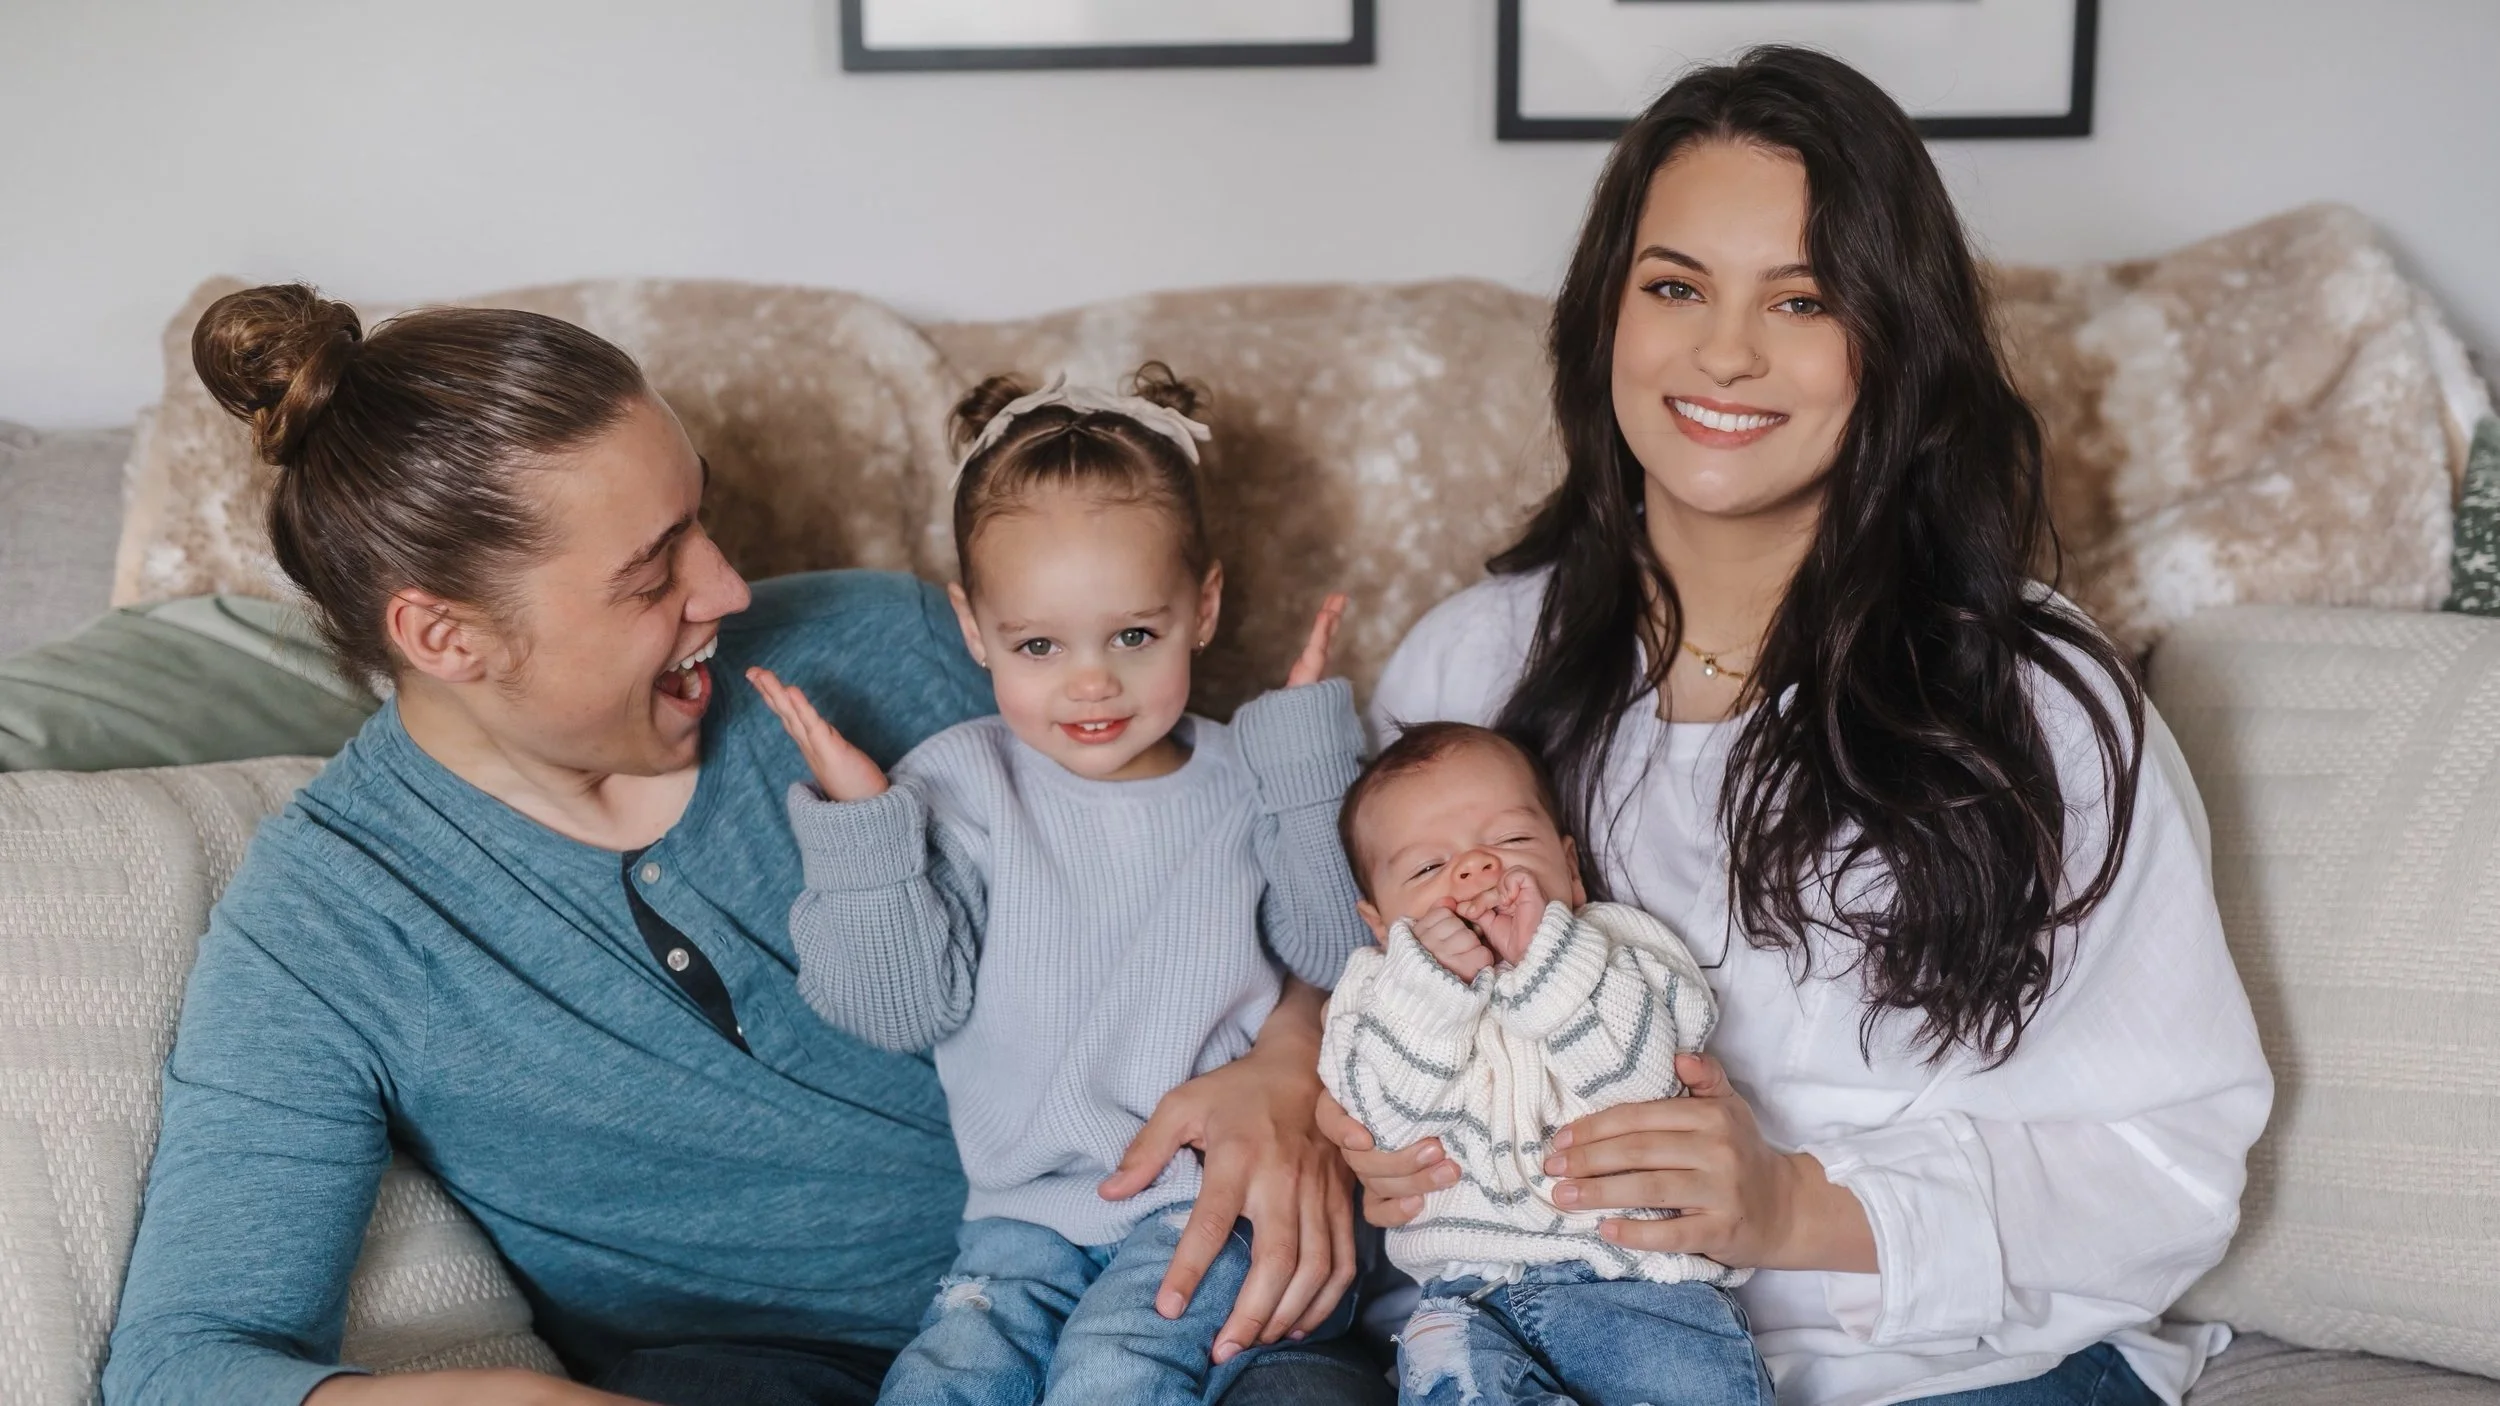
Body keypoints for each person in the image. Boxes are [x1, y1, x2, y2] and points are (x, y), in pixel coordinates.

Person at [102, 287, 1379, 1406]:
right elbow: (183, 1361)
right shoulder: (328, 923)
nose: (726, 588)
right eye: (652, 572)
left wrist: (1287, 1058)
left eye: (699, 520)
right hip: (754, 1370)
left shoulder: (884, 651)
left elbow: (1221, 856)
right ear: (446, 638)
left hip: (1181, 1285)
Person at [1321, 47, 2273, 1406]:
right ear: (1603, 317)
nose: (1725, 352)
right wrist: (1335, 1118)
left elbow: (2170, 1159)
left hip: (1945, 1372)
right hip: (1541, 1351)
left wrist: (1795, 1205)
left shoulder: (2035, 698)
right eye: (1675, 286)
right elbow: (1355, 998)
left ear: (1895, 344)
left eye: (1803, 299)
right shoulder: (1470, 663)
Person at [747, 367, 1372, 1405]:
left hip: (1212, 1197)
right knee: (942, 1381)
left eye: (1133, 635)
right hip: (1018, 1221)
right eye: (1038, 644)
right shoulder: (955, 785)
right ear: (973, 627)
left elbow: (1340, 954)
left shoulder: (1253, 777)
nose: (1091, 682)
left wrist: (1308, 770)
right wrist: (864, 827)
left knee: (1112, 1375)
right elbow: (900, 1009)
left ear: (1204, 606)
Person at [1320, 721, 1770, 1406]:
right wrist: (1429, 995)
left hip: (1641, 1288)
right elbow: (1386, 1121)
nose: (1476, 868)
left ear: (1571, 869)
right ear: (1379, 923)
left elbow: (1644, 1080)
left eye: (1510, 841)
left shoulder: (1624, 949)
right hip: (1464, 1302)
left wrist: (1549, 963)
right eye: (1428, 868)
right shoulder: (1373, 997)